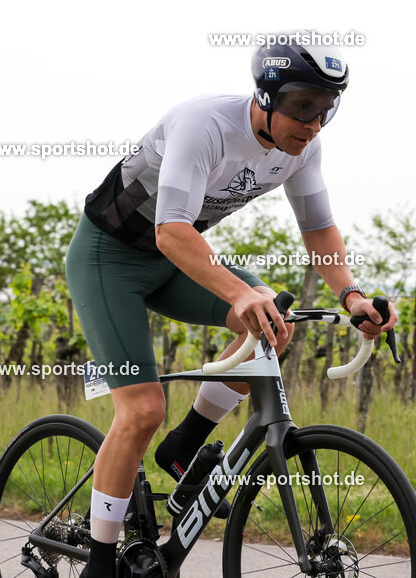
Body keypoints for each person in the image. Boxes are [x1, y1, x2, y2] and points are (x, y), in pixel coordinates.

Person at [65, 31, 398, 576]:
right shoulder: (205, 125)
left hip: (175, 260)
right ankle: (101, 562)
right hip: (111, 257)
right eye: (302, 108)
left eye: (325, 112)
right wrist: (239, 290)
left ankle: (185, 449)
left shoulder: (304, 148)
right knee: (143, 408)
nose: (313, 124)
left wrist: (353, 295)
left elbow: (319, 229)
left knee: (272, 320)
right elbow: (172, 230)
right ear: (265, 98)